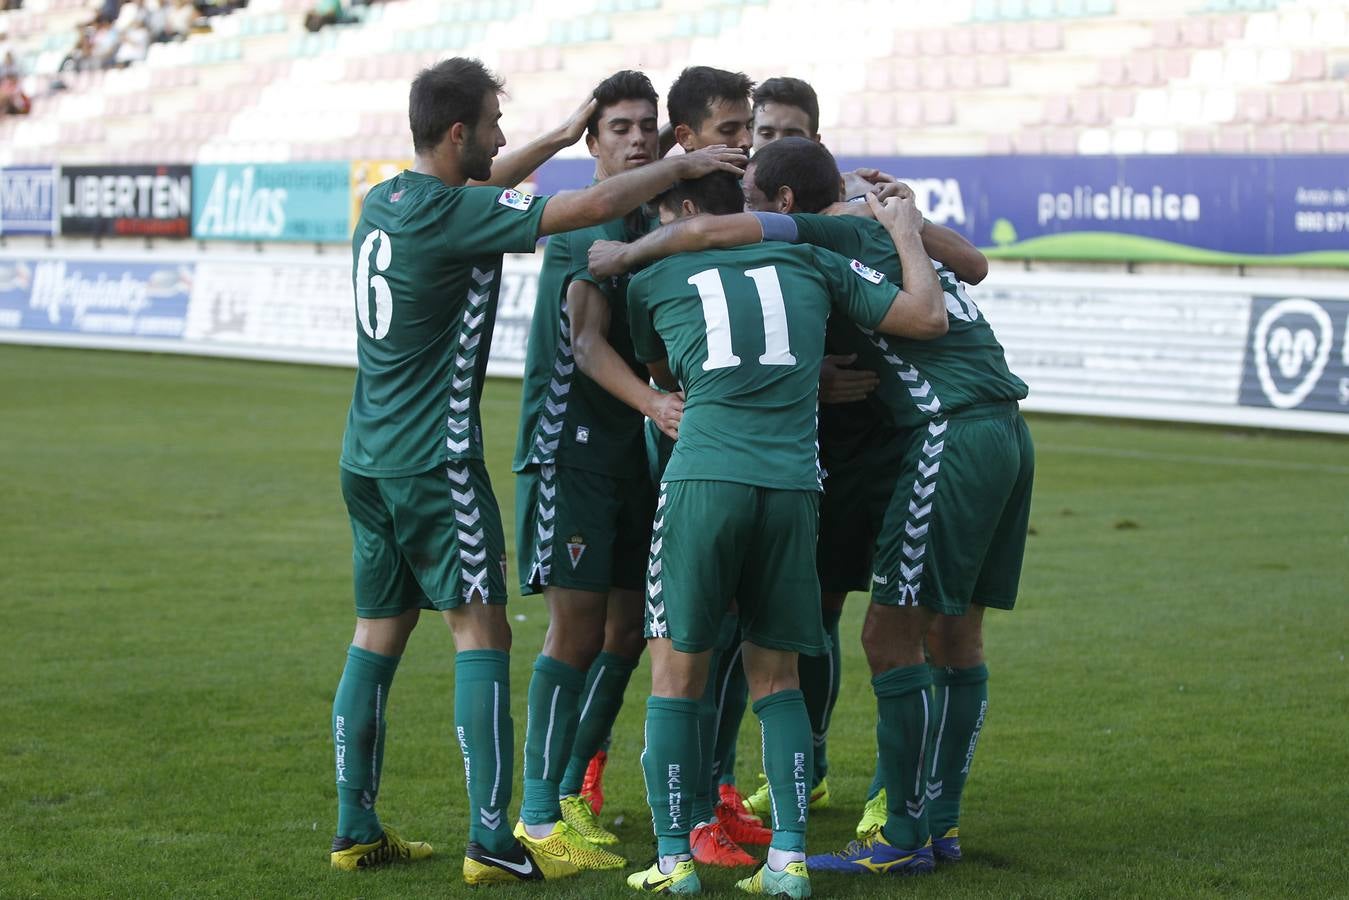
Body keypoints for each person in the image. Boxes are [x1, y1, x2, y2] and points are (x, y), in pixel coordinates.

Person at [330, 56, 745, 885]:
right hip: (433, 460)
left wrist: (559, 134)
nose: (502, 136)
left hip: (366, 457)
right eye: (492, 123)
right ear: (459, 133)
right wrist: (683, 162)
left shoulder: (390, 199)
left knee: (377, 635)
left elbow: (484, 190)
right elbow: (585, 205)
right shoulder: (459, 216)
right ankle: (495, 835)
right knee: (479, 635)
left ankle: (355, 824)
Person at [595, 136, 1034, 875]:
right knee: (956, 638)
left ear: (785, 202)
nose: (751, 215)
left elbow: (707, 228)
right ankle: (939, 824)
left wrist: (625, 255)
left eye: (759, 201)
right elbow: (978, 264)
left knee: (887, 641)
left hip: (943, 431)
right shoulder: (874, 218)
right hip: (1006, 430)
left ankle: (901, 835)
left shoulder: (822, 234)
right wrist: (903, 220)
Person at [621, 170, 948, 897]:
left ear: (680, 212)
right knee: (778, 679)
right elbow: (926, 319)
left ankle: (674, 861)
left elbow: (662, 375)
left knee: (677, 674)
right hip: (795, 484)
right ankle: (789, 860)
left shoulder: (652, 274)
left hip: (703, 477)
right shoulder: (811, 259)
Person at [739, 74, 988, 832]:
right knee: (806, 612)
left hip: (895, 441)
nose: (774, 143)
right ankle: (806, 767)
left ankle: (893, 795)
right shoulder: (745, 197)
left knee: (899, 624)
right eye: (764, 132)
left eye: (790, 133)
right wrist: (803, 375)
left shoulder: (846, 204)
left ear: (816, 137)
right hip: (812, 441)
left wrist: (898, 220)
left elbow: (968, 266)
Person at [510, 69, 678, 867]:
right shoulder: (588, 225)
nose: (638, 136)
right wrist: (655, 405)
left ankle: (572, 790)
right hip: (571, 448)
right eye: (619, 126)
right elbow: (584, 346)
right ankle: (537, 816)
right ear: (592, 139)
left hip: (625, 454)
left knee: (623, 630)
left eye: (647, 124)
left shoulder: (647, 219)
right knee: (574, 632)